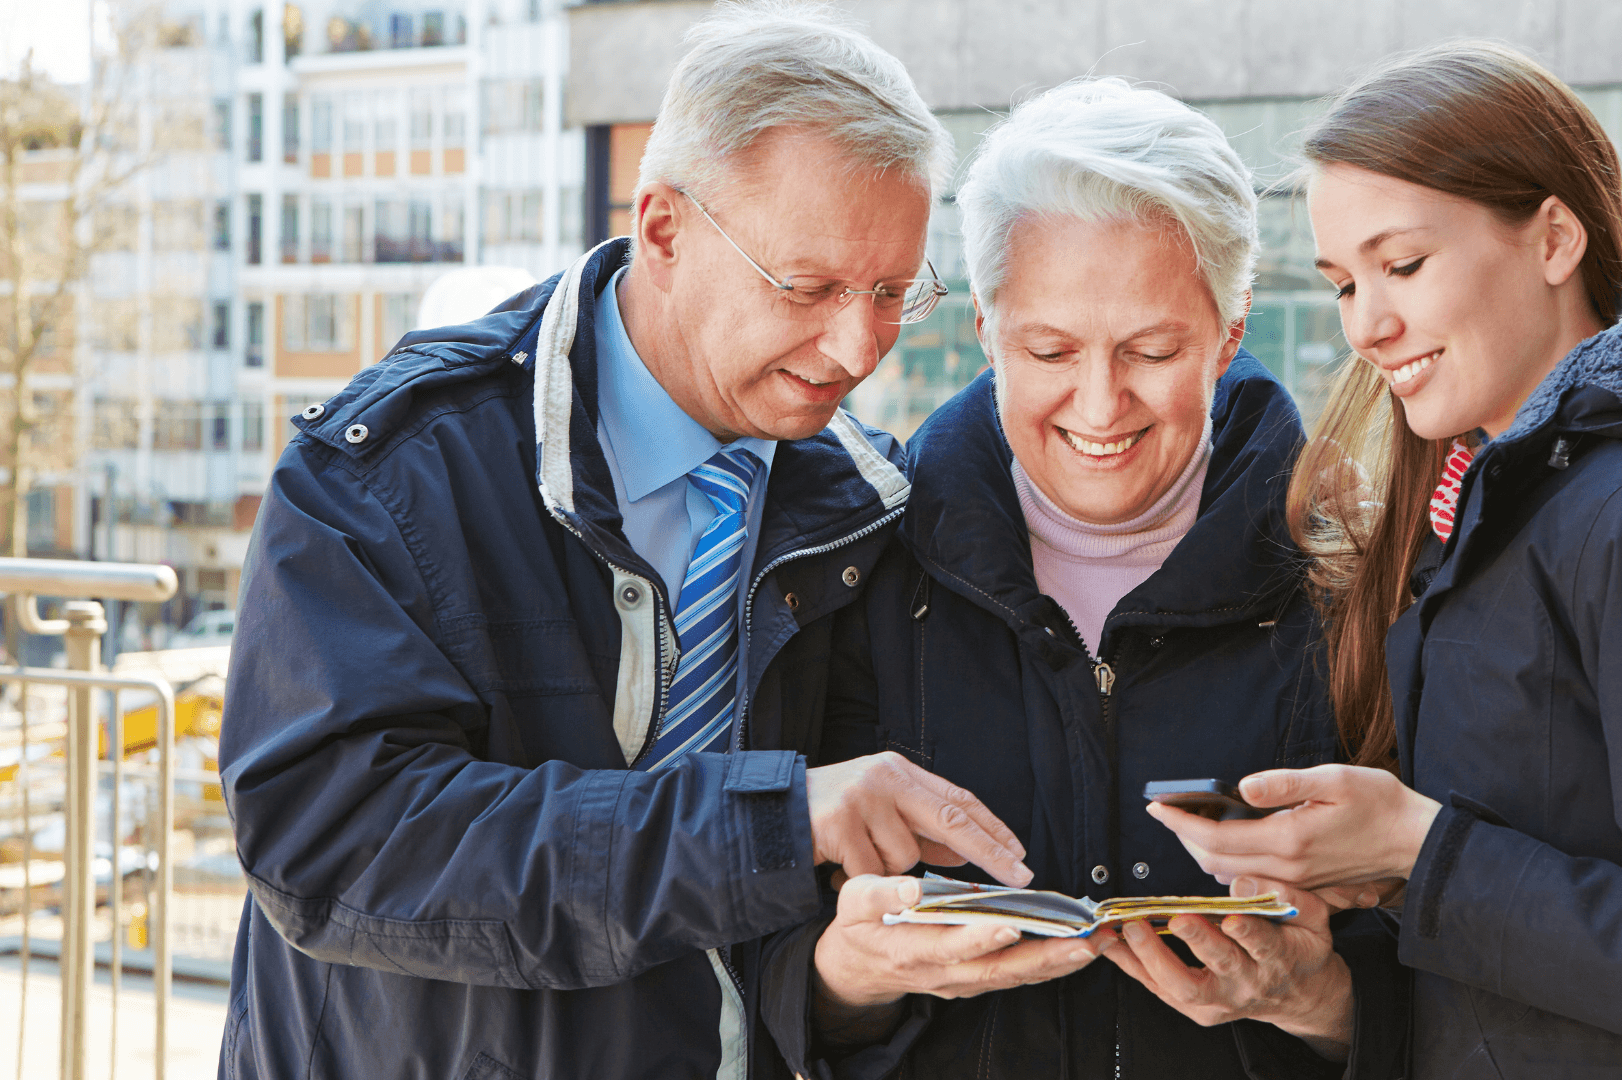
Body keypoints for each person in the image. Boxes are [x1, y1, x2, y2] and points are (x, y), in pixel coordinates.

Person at [217, 5, 1038, 1078]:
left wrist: (846, 981)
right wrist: (766, 824)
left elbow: (795, 946)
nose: (855, 347)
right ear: (663, 229)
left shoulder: (865, 505)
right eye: (810, 286)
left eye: (893, 294)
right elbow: (329, 842)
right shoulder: (394, 469)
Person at [1147, 42, 1622, 1080]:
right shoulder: (1483, 512)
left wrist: (1420, 852)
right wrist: (1340, 963)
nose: (1368, 324)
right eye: (1343, 284)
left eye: (1401, 265)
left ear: (1553, 239)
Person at [759, 79, 1405, 1080]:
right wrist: (842, 976)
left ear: (1230, 337)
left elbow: (1458, 987)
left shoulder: (1357, 580)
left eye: (1151, 351)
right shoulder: (859, 570)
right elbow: (773, 977)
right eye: (1050, 349)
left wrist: (1319, 1002)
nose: (1100, 406)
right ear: (985, 331)